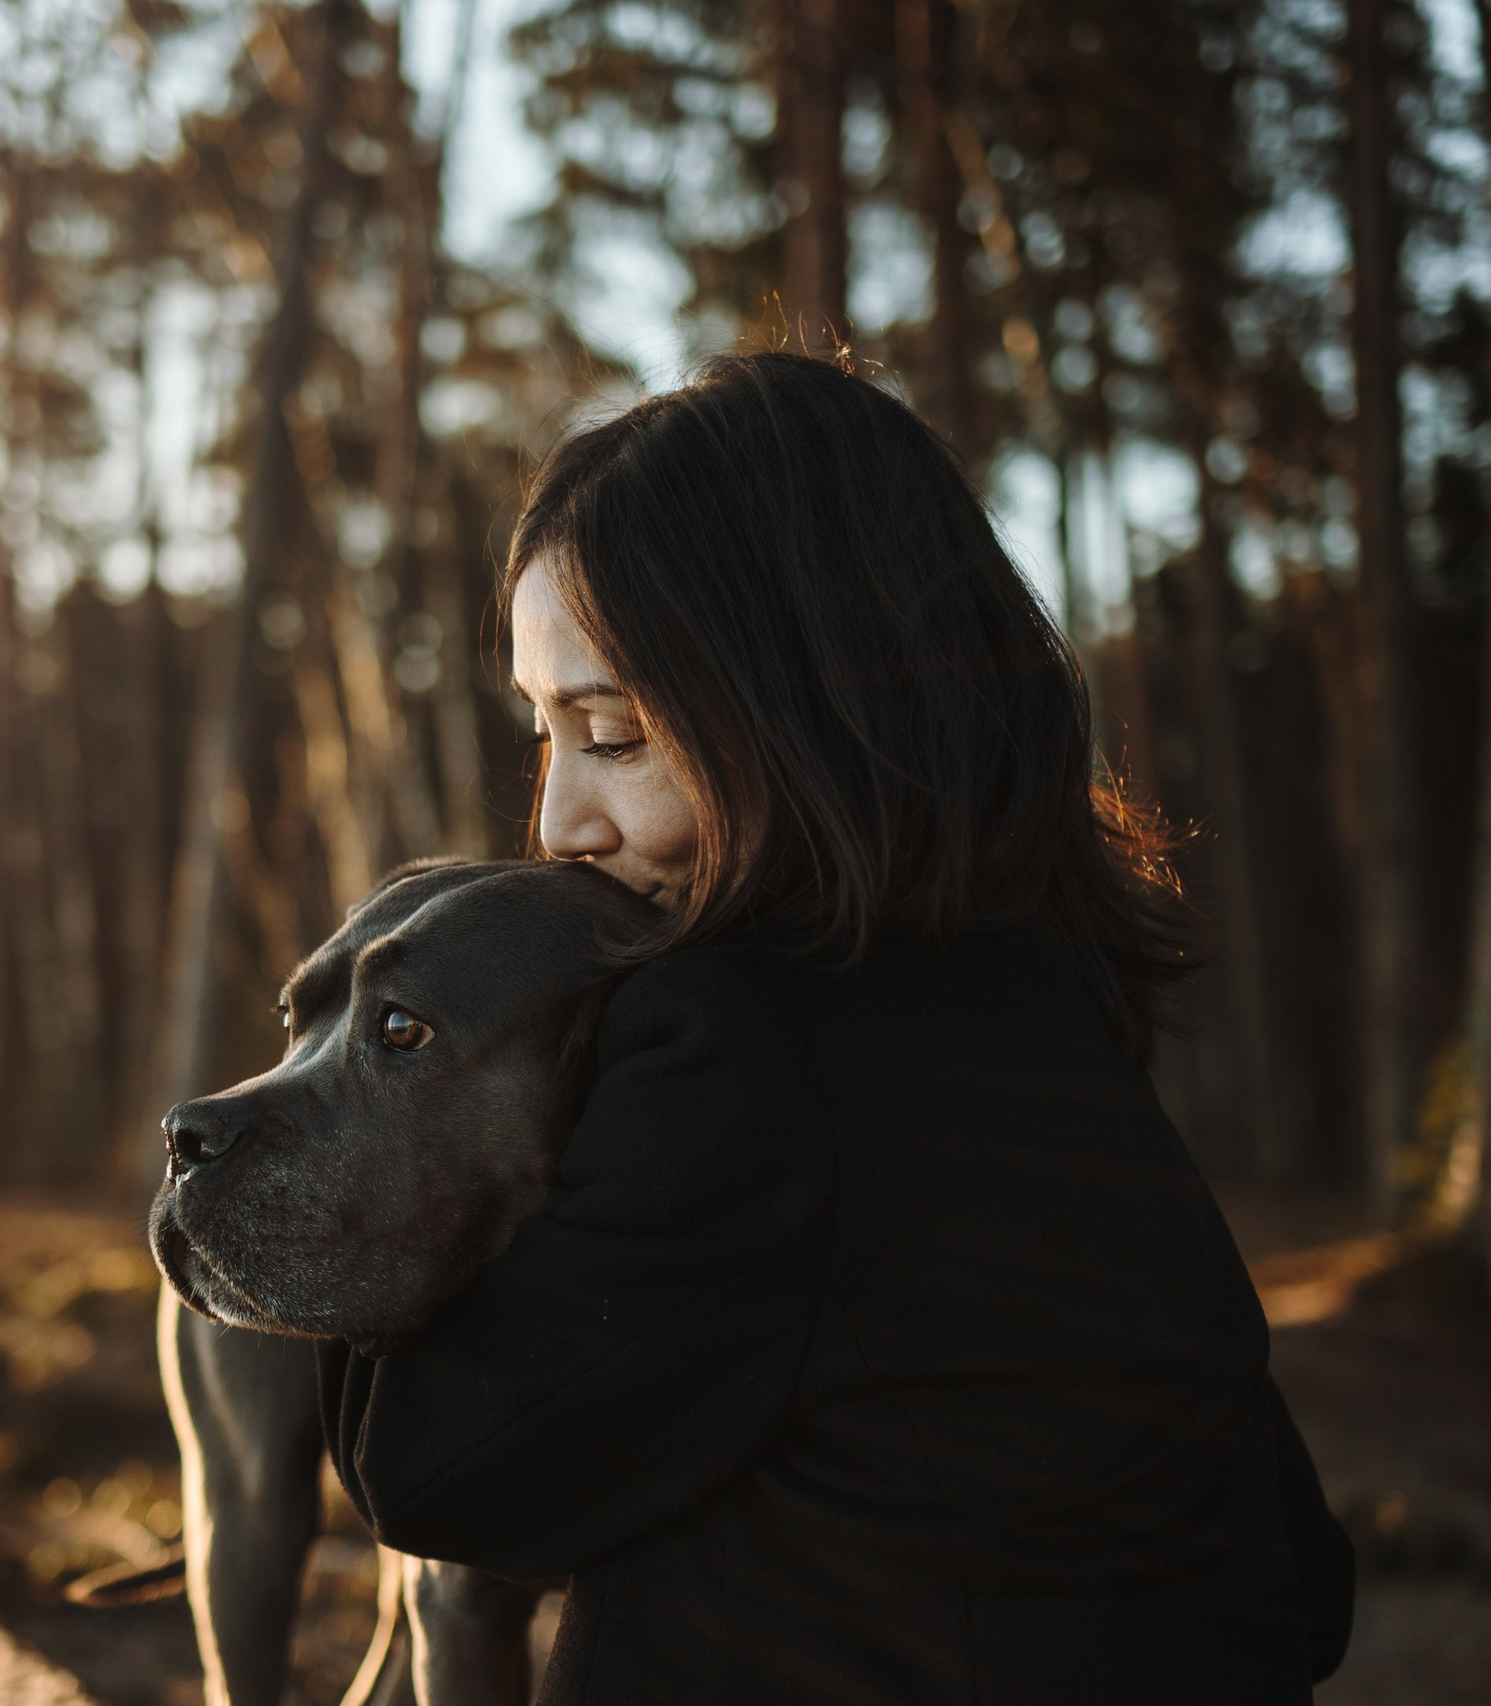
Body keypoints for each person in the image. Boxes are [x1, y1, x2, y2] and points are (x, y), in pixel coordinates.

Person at [316, 351, 1355, 1704]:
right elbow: (1299, 1573)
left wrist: (346, 1182)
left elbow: (439, 1466)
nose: (558, 821)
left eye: (613, 732)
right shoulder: (1042, 1009)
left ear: (807, 706)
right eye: (544, 735)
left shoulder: (741, 1040)